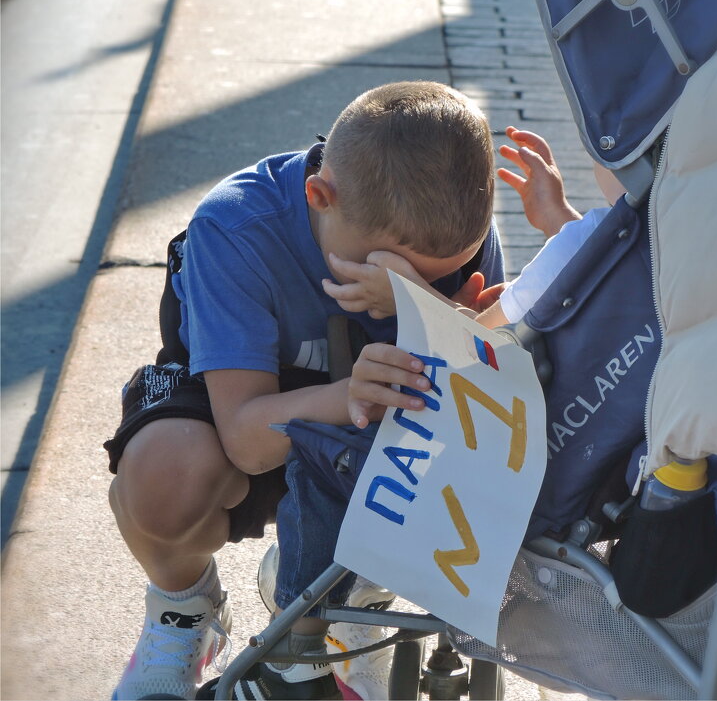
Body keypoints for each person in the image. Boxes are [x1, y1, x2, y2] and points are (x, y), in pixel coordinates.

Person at [105, 81, 510, 701]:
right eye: (393, 268)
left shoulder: (451, 226)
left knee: (467, 446)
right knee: (164, 477)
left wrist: (423, 303)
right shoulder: (237, 227)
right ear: (319, 196)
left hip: (372, 446)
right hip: (246, 418)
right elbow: (244, 438)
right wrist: (346, 394)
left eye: (441, 273)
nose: (417, 283)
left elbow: (481, 390)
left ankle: (345, 599)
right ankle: (182, 609)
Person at [196, 127, 626, 700]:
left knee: (335, 459)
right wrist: (561, 224)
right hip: (589, 476)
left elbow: (488, 341)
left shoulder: (602, 237)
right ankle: (350, 598)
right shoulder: (650, 251)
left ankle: (297, 647)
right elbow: (584, 280)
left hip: (503, 464)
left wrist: (413, 298)